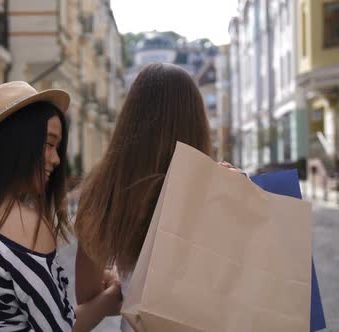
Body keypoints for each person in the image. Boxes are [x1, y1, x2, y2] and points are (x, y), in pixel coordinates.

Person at [0, 81, 121, 332]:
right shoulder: (27, 228)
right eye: (50, 145)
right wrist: (111, 298)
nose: (56, 159)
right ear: (18, 142)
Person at [74, 63, 241, 331]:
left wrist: (125, 284)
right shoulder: (219, 185)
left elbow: (86, 294)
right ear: (198, 123)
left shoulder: (103, 189)